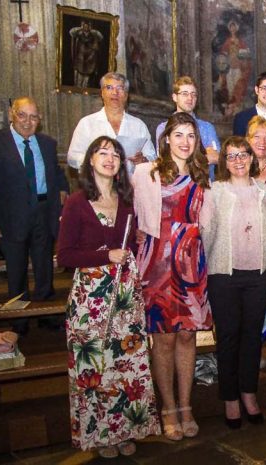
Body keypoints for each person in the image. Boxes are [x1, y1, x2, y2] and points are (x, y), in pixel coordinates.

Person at [58, 137, 159, 458]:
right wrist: (105, 256)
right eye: (102, 153)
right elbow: (65, 256)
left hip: (125, 297)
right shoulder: (76, 203)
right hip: (91, 299)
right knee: (96, 367)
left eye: (115, 154)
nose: (110, 158)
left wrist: (133, 241)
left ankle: (125, 430)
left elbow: (127, 243)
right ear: (90, 161)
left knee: (124, 366)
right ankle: (100, 435)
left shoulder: (126, 201)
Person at [133, 113, 212, 441]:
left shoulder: (202, 175)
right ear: (165, 139)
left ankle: (185, 405)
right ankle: (166, 408)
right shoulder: (145, 172)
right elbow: (136, 220)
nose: (184, 141)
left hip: (191, 263)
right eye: (178, 135)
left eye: (190, 136)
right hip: (157, 262)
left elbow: (208, 222)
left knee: (187, 337)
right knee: (163, 338)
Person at [0, 97, 69, 335]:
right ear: (11, 115)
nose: (28, 121)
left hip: (44, 213)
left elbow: (56, 172)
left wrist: (64, 189)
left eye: (34, 116)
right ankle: (18, 320)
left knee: (44, 266)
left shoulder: (47, 143)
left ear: (40, 120)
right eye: (22, 115)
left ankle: (46, 314)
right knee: (16, 271)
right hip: (10, 217)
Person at [200, 136, 266, 429]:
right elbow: (206, 234)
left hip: (259, 275)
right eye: (231, 156)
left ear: (251, 158)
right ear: (224, 162)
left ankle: (249, 393)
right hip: (224, 275)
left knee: (252, 338)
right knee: (229, 337)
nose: (238, 161)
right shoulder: (214, 191)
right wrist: (205, 272)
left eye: (243, 154)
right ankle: (230, 398)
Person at [68, 72, 156, 170]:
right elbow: (73, 157)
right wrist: (96, 161)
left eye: (120, 88)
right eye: (109, 87)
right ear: (102, 93)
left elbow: (152, 156)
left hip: (130, 182)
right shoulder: (87, 123)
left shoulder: (138, 125)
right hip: (96, 181)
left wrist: (143, 160)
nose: (115, 92)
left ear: (126, 95)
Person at [155, 76, 221, 181]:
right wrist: (203, 156)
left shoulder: (207, 127)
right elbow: (165, 160)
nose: (190, 98)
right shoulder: (163, 128)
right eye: (185, 94)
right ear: (174, 97)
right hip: (174, 186)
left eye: (193, 94)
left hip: (205, 186)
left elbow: (216, 157)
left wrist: (183, 156)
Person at [69, 21, 103, 88]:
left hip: (90, 62)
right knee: (78, 82)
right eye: (85, 26)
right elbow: (71, 32)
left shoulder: (94, 36)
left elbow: (100, 38)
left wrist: (92, 31)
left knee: (86, 84)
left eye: (88, 26)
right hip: (80, 61)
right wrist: (80, 28)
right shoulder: (79, 34)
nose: (86, 27)